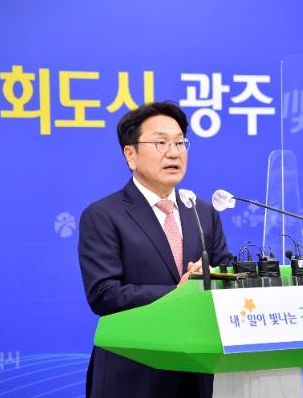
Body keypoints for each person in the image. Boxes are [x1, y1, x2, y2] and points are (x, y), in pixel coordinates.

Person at [78, 102, 231, 398]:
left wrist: (213, 276)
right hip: (133, 376)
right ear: (131, 155)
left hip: (197, 374)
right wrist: (179, 293)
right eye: (161, 143)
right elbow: (104, 294)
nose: (173, 153)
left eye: (180, 143)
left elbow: (227, 273)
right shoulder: (103, 215)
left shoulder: (202, 212)